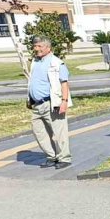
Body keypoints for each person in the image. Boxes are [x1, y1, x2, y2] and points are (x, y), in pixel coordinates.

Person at [27, 36, 72, 169]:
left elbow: (64, 83)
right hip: (36, 104)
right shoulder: (35, 62)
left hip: (52, 103)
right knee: (39, 132)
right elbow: (32, 82)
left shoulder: (57, 63)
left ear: (48, 47)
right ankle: (52, 156)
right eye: (35, 46)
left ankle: (64, 158)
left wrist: (64, 101)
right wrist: (29, 98)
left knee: (59, 132)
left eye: (39, 46)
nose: (36, 49)